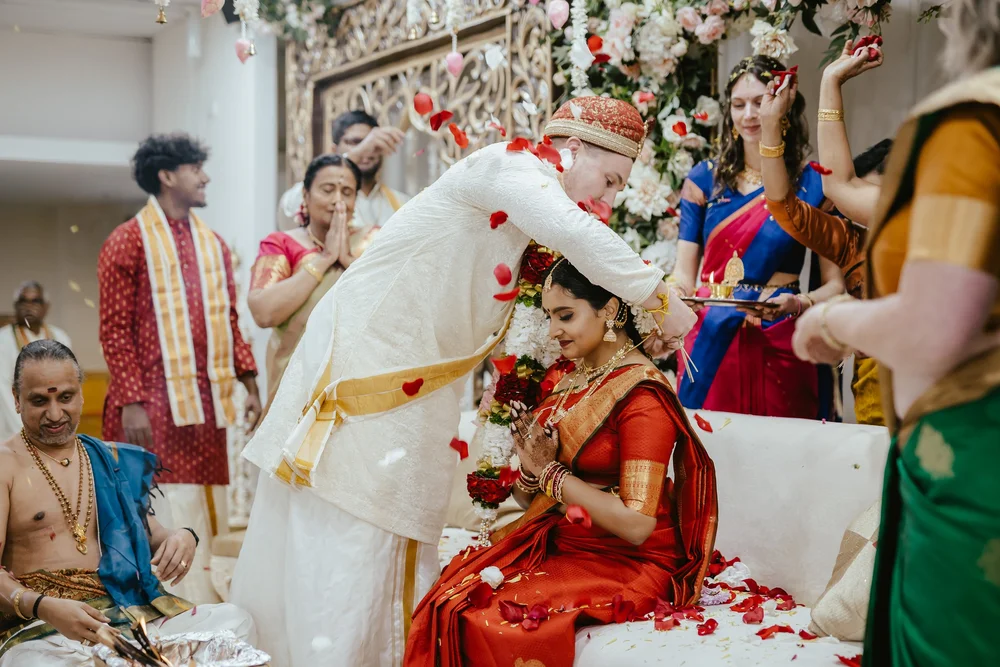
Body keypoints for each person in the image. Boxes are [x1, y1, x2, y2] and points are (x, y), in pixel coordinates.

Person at [230, 96, 697, 667]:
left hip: (420, 371)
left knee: (399, 526)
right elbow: (576, 232)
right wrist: (662, 299)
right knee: (357, 520)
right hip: (376, 358)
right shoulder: (510, 165)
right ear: (573, 149)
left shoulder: (530, 201)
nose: (611, 198)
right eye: (611, 179)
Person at [790, 1, 1000, 664]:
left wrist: (831, 320)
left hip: (973, 452)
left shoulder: (974, 121)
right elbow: (842, 187)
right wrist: (829, 84)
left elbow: (933, 325)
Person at [404, 259, 717, 667]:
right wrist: (531, 469)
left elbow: (636, 525)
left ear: (609, 310)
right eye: (550, 316)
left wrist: (549, 473)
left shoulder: (642, 395)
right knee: (451, 598)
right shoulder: (570, 380)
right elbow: (531, 495)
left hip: (625, 559)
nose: (553, 330)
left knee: (491, 622)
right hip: (563, 542)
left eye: (565, 315)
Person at [0, 340, 256, 665]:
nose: (54, 413)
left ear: (81, 393)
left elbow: (153, 535)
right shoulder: (6, 465)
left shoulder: (108, 459)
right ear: (16, 399)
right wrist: (45, 607)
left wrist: (184, 537)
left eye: (65, 397)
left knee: (235, 621)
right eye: (39, 400)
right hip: (44, 627)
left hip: (128, 612)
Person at [97, 133, 260, 601]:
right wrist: (131, 401)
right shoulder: (126, 241)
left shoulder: (214, 245)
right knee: (154, 502)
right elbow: (114, 329)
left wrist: (249, 381)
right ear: (167, 176)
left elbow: (229, 319)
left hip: (206, 411)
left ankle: (205, 608)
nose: (205, 177)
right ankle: (159, 611)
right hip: (149, 411)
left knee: (208, 505)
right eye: (195, 168)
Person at [672, 55, 845, 420]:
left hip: (783, 335)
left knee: (785, 446)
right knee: (709, 442)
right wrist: (673, 297)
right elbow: (683, 273)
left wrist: (799, 303)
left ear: (784, 105)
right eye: (739, 104)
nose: (750, 114)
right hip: (710, 337)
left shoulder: (814, 183)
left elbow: (835, 286)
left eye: (759, 101)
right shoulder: (704, 180)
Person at [758, 59, 892, 425]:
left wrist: (831, 81)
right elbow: (786, 209)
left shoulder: (935, 221)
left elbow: (840, 185)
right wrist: (770, 127)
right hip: (877, 411)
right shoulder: (851, 243)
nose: (859, 210)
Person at [249, 154, 363, 405]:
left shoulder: (372, 242)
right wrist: (325, 259)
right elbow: (263, 312)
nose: (338, 200)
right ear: (306, 195)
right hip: (295, 394)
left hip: (359, 386)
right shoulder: (281, 243)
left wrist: (347, 260)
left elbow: (395, 307)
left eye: (347, 192)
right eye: (328, 190)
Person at [277, 110, 410, 240]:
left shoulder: (402, 203)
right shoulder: (319, 197)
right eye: (355, 142)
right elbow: (288, 211)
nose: (368, 149)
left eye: (373, 143)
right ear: (334, 150)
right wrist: (352, 157)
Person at [0, 282, 71, 441]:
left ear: (46, 307)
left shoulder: (60, 337)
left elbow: (69, 383)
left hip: (55, 420)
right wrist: (25, 429)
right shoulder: (3, 340)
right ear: (16, 306)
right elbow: (2, 389)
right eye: (23, 301)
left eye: (35, 301)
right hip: (14, 426)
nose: (28, 306)